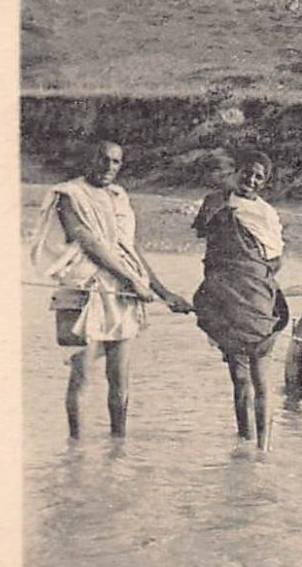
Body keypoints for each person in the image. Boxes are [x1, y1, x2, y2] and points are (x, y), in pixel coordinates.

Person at [29, 140, 192, 438]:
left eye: (115, 162)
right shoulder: (70, 195)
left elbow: (128, 250)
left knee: (120, 379)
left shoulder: (118, 197)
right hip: (87, 290)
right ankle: (75, 449)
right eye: (102, 159)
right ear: (88, 159)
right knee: (82, 375)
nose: (108, 167)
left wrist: (165, 293)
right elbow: (90, 243)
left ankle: (118, 445)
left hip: (121, 293)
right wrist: (133, 282)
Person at [191, 149, 290, 451]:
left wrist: (250, 275)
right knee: (238, 377)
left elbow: (275, 259)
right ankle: (244, 443)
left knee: (261, 377)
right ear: (237, 170)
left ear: (265, 182)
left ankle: (263, 447)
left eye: (260, 176)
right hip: (226, 297)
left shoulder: (266, 213)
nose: (252, 179)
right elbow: (206, 238)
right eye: (247, 171)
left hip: (255, 297)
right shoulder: (217, 201)